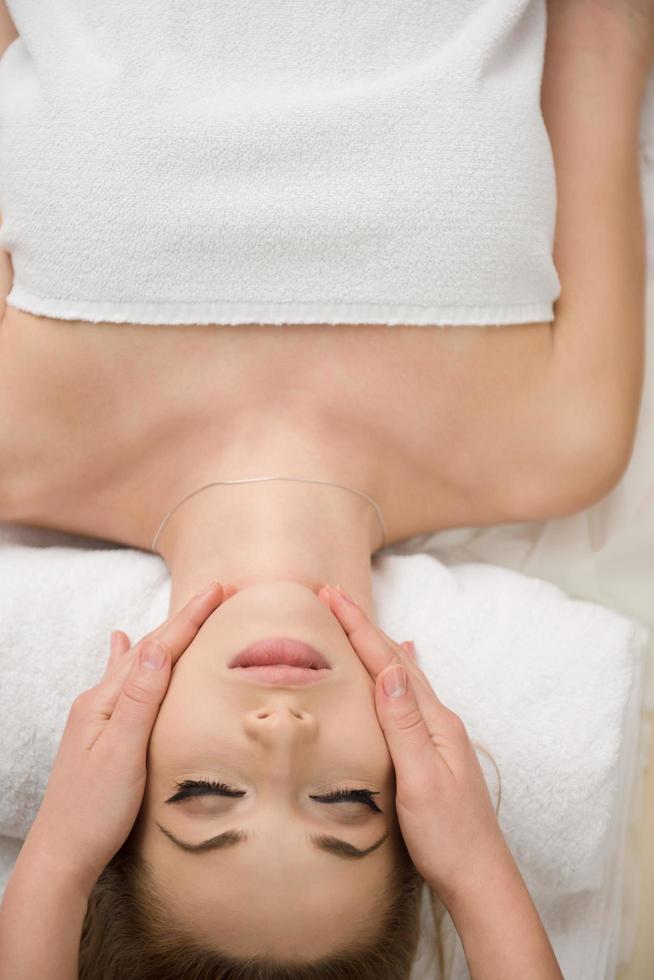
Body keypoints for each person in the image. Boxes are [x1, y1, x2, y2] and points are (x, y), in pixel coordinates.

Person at [0, 0, 651, 977]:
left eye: (206, 794)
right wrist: (475, 867)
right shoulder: (557, 442)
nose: (282, 733)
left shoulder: (17, 436)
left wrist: (54, 865)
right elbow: (605, 30)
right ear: (423, 782)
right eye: (347, 805)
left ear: (113, 775)